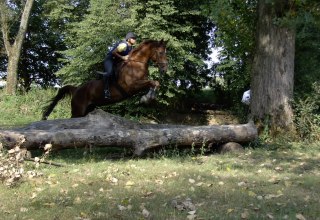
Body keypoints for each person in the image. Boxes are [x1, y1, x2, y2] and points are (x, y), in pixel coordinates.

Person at [103, 32, 137, 98]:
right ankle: (106, 90)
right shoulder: (123, 45)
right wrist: (122, 57)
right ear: (128, 39)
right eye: (133, 38)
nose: (134, 40)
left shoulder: (131, 48)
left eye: (135, 38)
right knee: (110, 73)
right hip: (110, 59)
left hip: (117, 61)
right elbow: (113, 52)